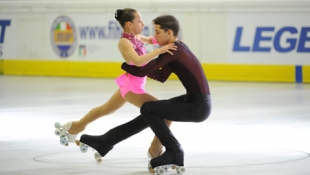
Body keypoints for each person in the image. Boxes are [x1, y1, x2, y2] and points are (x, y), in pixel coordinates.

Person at [78, 14, 211, 172]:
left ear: (169, 33)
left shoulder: (172, 51)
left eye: (157, 32)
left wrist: (126, 66)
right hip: (195, 101)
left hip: (198, 106)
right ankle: (105, 141)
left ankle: (174, 151)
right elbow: (160, 76)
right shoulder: (177, 47)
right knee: (153, 109)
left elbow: (144, 70)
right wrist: (140, 68)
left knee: (148, 108)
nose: (154, 37)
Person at [54, 8, 176, 159]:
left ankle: (76, 126)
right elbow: (138, 61)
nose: (143, 24)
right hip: (133, 89)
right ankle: (155, 150)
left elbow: (152, 40)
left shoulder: (136, 37)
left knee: (105, 109)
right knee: (164, 112)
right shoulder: (124, 42)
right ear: (129, 24)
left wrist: (171, 40)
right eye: (139, 21)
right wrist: (159, 51)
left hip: (130, 84)